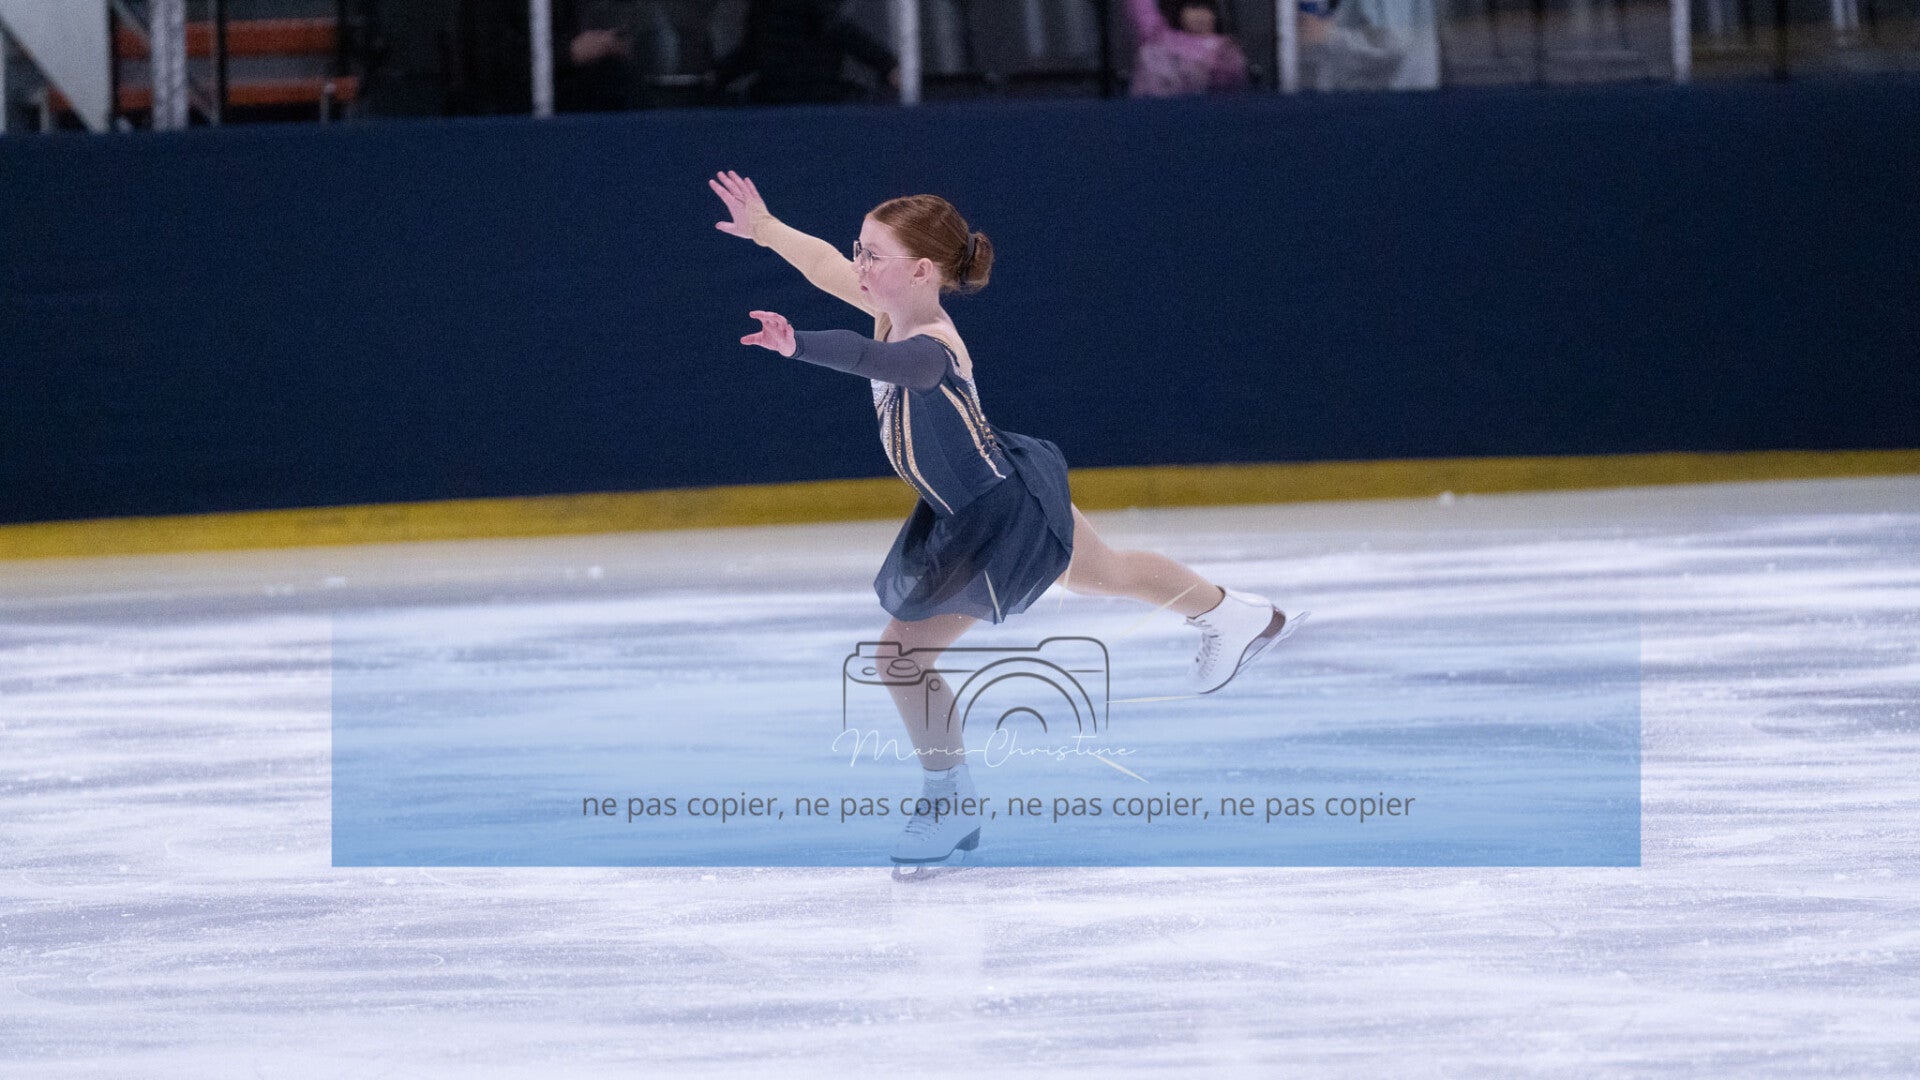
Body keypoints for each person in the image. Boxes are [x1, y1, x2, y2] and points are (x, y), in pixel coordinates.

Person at [708, 170, 1301, 867]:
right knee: (1106, 573)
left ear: (921, 271)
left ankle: (949, 801)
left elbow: (872, 359)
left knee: (900, 659)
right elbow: (821, 264)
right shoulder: (886, 305)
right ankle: (1237, 615)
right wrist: (764, 227)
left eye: (873, 255)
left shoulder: (930, 343)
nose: (858, 264)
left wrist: (796, 345)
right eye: (859, 249)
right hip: (999, 484)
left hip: (994, 518)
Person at [709, 0, 900, 106]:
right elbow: (838, 30)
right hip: (811, 98)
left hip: (777, 97)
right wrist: (889, 66)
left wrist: (716, 78)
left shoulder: (763, 7)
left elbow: (752, 51)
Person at [1126, 0, 1250, 97]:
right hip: (1153, 112)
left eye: (1207, 9)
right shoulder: (1160, 38)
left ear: (1216, 15)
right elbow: (1143, 12)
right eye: (1194, 8)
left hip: (1207, 113)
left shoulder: (1226, 47)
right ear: (1181, 12)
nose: (1200, 15)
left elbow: (1231, 91)